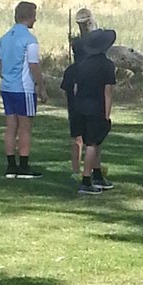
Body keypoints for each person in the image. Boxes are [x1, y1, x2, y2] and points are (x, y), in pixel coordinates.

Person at [0, 0, 47, 178]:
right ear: (29, 17)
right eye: (34, 16)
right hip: (23, 88)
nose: (36, 20)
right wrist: (40, 86)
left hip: (7, 87)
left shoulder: (5, 37)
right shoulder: (30, 40)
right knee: (25, 126)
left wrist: (5, 75)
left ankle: (10, 166)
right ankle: (24, 166)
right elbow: (33, 65)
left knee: (11, 126)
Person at [73, 28, 117, 195]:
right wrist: (106, 115)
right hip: (96, 108)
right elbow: (108, 92)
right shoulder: (107, 66)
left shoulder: (81, 64)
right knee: (92, 144)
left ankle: (97, 175)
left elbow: (76, 88)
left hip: (81, 107)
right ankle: (86, 180)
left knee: (95, 142)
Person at [60, 36, 86, 179]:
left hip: (74, 109)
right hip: (89, 108)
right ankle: (91, 168)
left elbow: (65, 90)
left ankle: (75, 170)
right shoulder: (89, 70)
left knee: (77, 139)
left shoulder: (70, 70)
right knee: (90, 140)